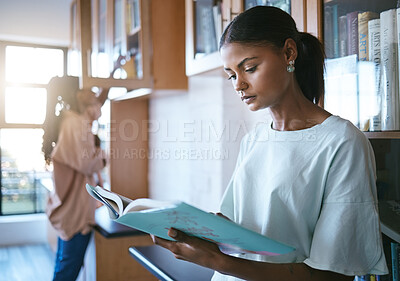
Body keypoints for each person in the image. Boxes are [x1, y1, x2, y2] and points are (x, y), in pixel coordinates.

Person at [152, 6, 389, 281]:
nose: (239, 84)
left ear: (289, 53)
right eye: (231, 75)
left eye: (249, 68)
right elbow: (243, 231)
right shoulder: (254, 139)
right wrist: (203, 230)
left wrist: (216, 260)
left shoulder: (342, 143)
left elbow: (332, 275)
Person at [43, 76, 109, 281]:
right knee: (68, 269)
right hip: (76, 213)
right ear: (77, 94)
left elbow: (98, 103)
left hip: (70, 211)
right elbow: (86, 163)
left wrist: (113, 74)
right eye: (87, 89)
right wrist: (104, 156)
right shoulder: (75, 123)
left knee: (65, 264)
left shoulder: (71, 119)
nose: (93, 93)